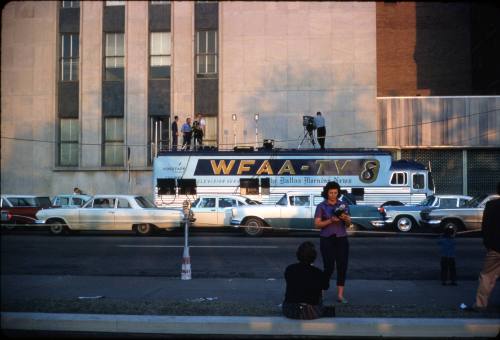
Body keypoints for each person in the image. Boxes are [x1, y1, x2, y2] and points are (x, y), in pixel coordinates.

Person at [314, 181, 352, 304]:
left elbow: (348, 224)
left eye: (335, 192)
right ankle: (321, 292)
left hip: (341, 238)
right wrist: (331, 220)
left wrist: (346, 219)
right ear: (326, 193)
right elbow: (317, 224)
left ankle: (340, 295)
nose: (333, 195)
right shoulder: (321, 206)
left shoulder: (343, 205)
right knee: (328, 267)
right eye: (331, 192)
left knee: (342, 267)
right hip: (327, 238)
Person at [282, 241, 334, 319]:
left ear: (298, 254)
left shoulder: (290, 269)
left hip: (290, 310)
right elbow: (325, 286)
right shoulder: (318, 273)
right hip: (311, 311)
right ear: (314, 256)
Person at [473, 181, 500, 308]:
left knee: (487, 277)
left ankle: (480, 304)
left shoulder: (491, 205)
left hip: (495, 248)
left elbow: (486, 227)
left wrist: (488, 244)